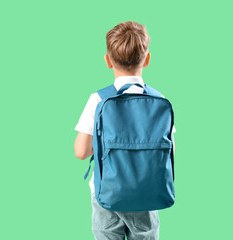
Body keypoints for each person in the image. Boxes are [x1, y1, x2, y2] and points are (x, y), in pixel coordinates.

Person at [74, 21, 176, 240]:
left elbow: (81, 152)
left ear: (108, 61)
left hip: (107, 196)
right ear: (147, 59)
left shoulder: (98, 100)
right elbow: (170, 153)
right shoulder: (161, 100)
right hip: (148, 196)